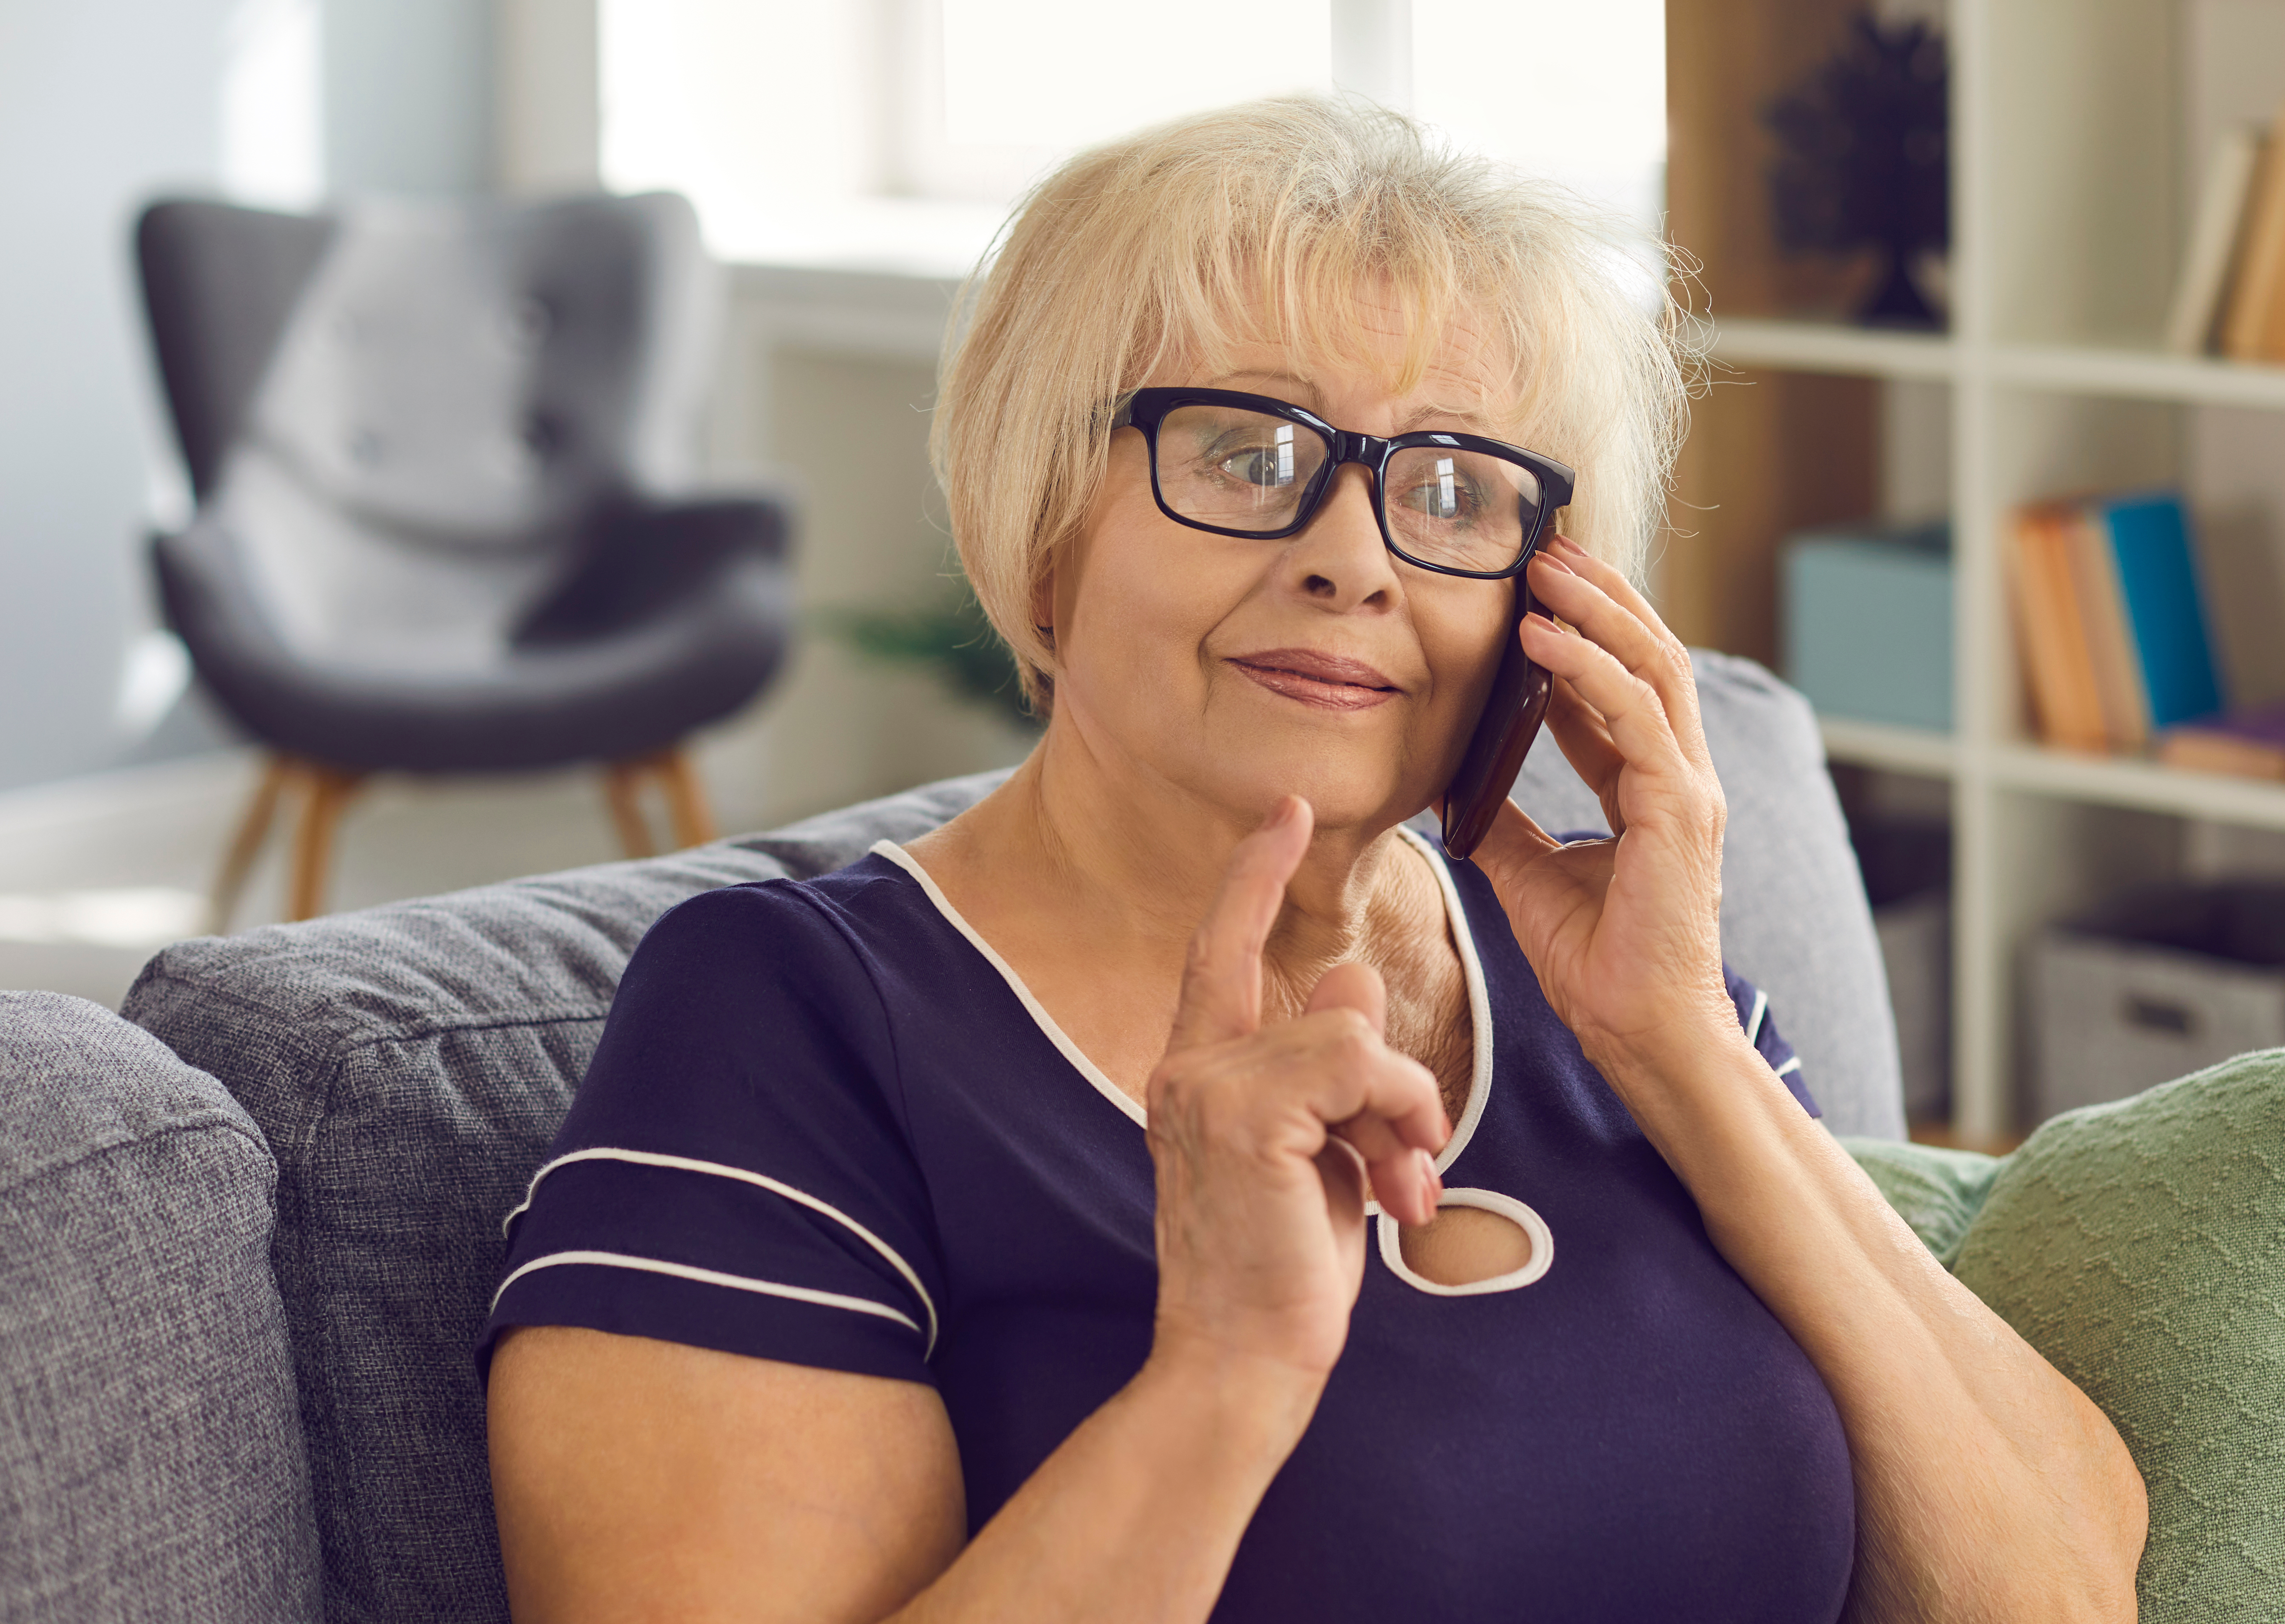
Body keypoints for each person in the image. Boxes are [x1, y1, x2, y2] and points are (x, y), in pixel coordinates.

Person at [480, 97, 2146, 1623]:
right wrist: (1228, 1370)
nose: (1352, 556)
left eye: (1452, 484)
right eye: (1247, 454)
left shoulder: (1626, 994)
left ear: (1542, 600)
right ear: (1046, 521)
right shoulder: (794, 1020)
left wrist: (1685, 1046)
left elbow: (2061, 1592)